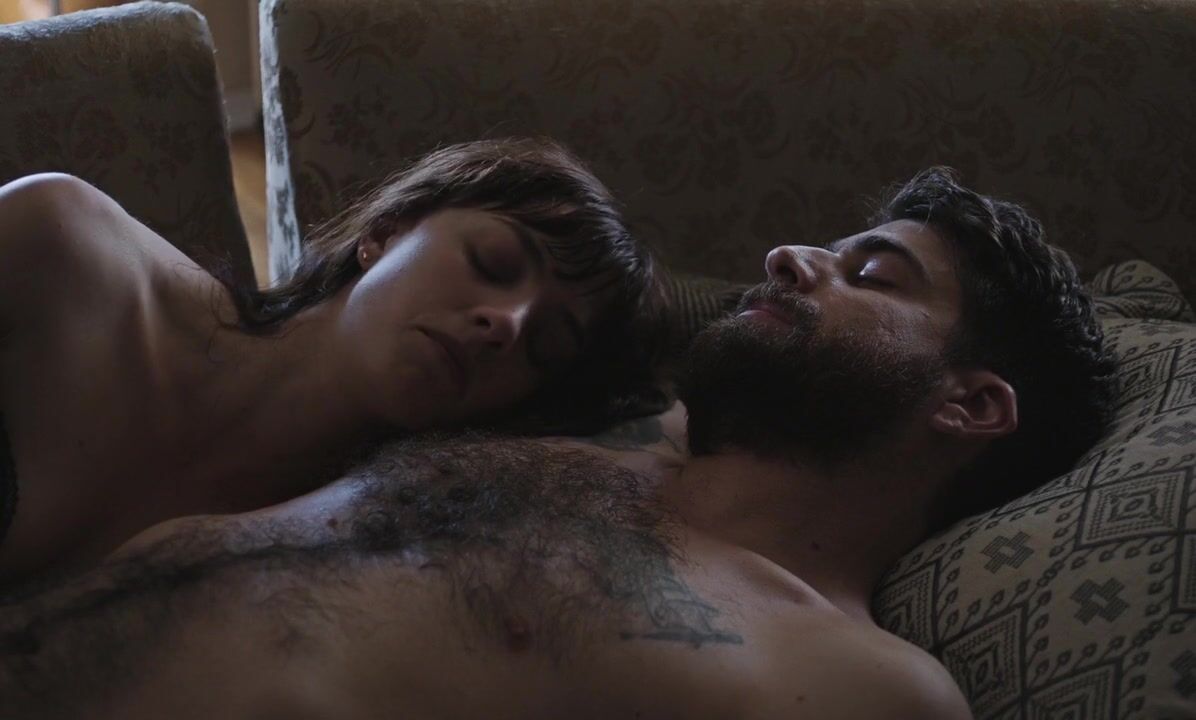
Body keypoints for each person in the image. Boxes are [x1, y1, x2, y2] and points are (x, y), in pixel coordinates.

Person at [0, 168, 1117, 719]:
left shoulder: (858, 681)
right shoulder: (588, 429)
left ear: (972, 406)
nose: (789, 257)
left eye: (872, 274)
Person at [0, 137, 667, 588]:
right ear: (386, 231)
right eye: (492, 263)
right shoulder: (63, 247)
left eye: (546, 346)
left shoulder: (359, 552)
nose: (507, 324)